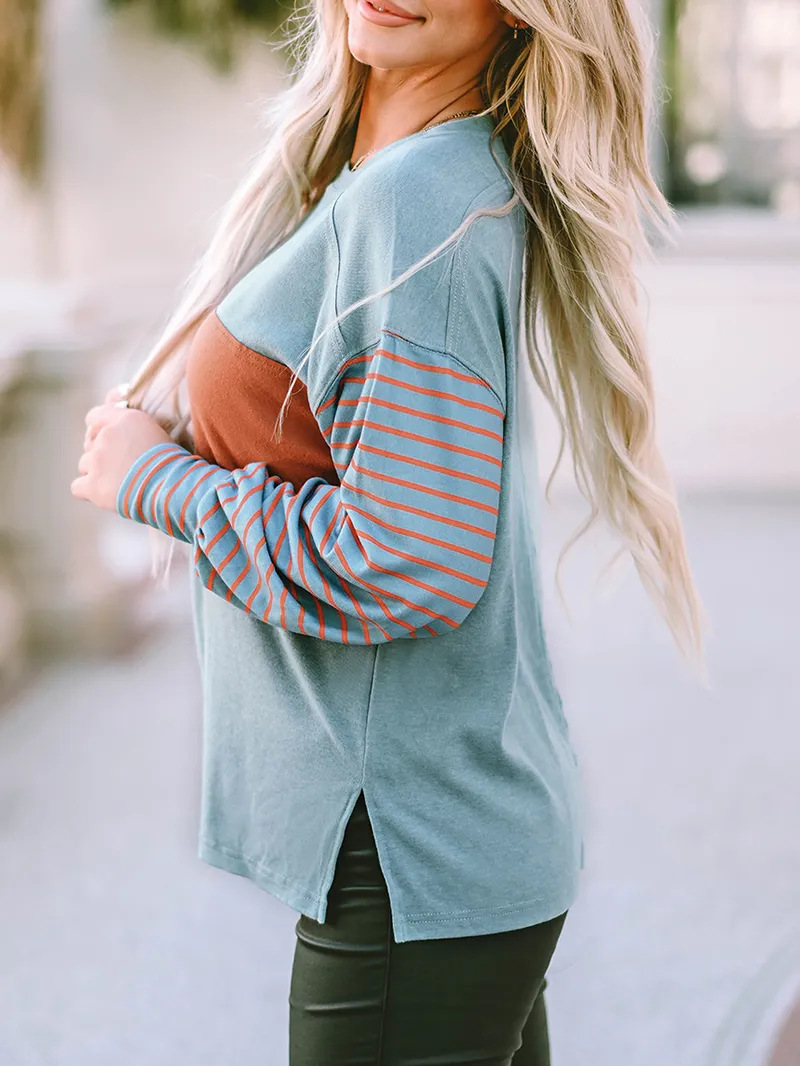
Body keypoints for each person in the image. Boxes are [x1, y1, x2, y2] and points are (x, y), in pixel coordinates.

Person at [72, 0, 706, 1060]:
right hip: (440, 854)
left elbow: (407, 561)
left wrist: (160, 482)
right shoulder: (389, 178)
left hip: (407, 862)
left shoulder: (421, 205)